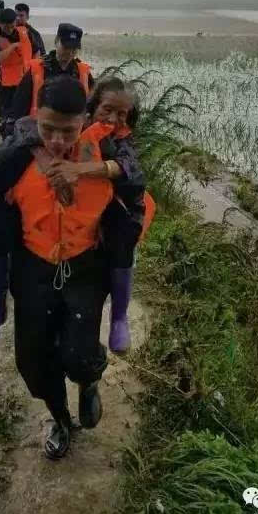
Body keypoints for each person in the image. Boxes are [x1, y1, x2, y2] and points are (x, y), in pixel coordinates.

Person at [0, 77, 115, 459]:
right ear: (37, 116)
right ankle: (61, 419)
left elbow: (134, 197)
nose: (55, 139)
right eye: (47, 128)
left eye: (67, 131)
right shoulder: (16, 158)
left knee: (77, 352)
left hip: (84, 270)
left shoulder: (101, 156)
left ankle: (88, 381)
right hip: (33, 270)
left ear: (83, 121)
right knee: (33, 361)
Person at [46, 76, 155, 352]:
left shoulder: (123, 139)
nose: (115, 118)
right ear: (92, 107)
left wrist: (80, 170)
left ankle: (119, 317)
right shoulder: (74, 127)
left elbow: (130, 168)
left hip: (117, 211)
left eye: (122, 113)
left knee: (123, 236)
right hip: (75, 212)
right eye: (107, 110)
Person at [6, 23, 94, 133]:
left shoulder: (84, 72)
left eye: (74, 49)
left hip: (73, 134)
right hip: (39, 132)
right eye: (66, 47)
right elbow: (19, 106)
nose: (70, 53)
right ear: (56, 41)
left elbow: (92, 107)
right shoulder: (36, 70)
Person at [0, 8, 35, 137]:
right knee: (6, 121)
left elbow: (37, 50)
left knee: (25, 118)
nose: (9, 28)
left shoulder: (25, 32)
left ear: (15, 21)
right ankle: (6, 144)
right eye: (5, 25)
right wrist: (12, 47)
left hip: (26, 84)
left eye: (12, 24)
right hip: (6, 87)